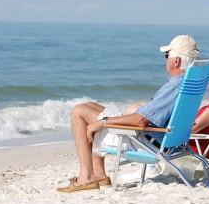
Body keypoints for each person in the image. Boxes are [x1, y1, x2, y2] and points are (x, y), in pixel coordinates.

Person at [57, 35, 200, 193]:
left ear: (176, 61)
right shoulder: (189, 83)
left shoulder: (175, 86)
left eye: (167, 56)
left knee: (79, 112)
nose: (165, 60)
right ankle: (99, 175)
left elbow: (140, 121)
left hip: (144, 140)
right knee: (89, 106)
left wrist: (103, 122)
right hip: (164, 140)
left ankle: (87, 177)